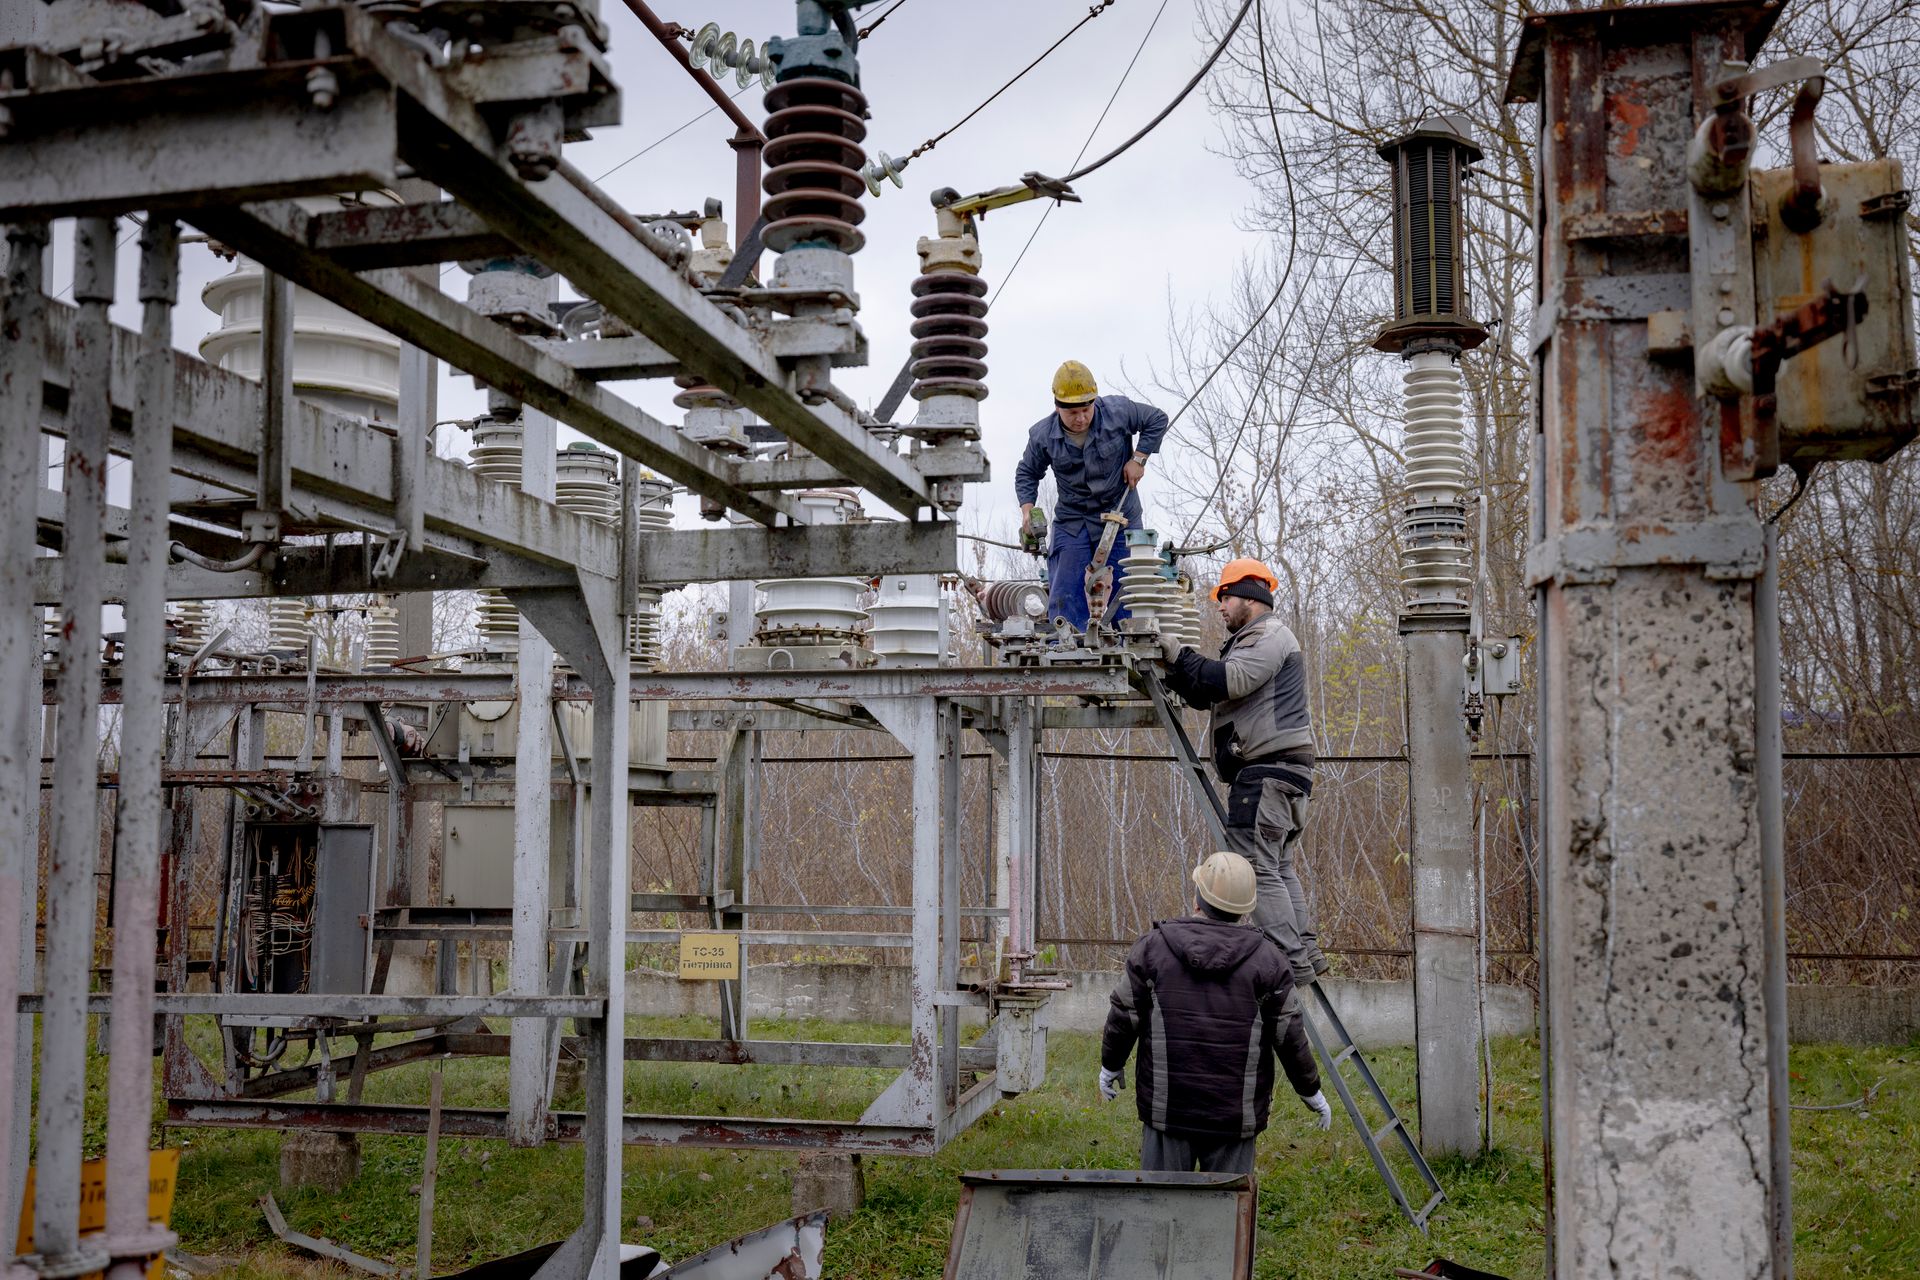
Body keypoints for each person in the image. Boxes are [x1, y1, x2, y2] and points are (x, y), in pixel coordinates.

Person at [1099, 851, 1332, 1174]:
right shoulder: (1269, 961)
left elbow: (1124, 1015)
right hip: (1233, 1119)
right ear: (1247, 909)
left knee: (1160, 1209)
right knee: (1227, 1212)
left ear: (1197, 900)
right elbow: (1289, 1035)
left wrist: (1110, 1064)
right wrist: (1310, 1090)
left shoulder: (1153, 949)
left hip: (1168, 1114)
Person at [1157, 558, 1326, 987]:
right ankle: (1304, 950)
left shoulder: (1269, 635)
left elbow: (1229, 681)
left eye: (1225, 596)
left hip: (1267, 771)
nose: (1220, 606)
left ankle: (1288, 963)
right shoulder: (1252, 638)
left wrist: (1178, 653)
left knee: (1255, 865)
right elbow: (1206, 693)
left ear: (1250, 597)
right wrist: (1175, 669)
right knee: (1277, 866)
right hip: (1281, 772)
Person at [1013, 360, 1168, 630]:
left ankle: (1130, 650)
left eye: (1086, 409)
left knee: (1131, 592)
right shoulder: (1042, 436)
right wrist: (1027, 509)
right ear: (1057, 407)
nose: (1081, 418)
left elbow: (1157, 419)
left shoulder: (1118, 412)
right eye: (1073, 412)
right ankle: (1069, 650)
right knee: (1065, 593)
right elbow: (1027, 472)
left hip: (1122, 514)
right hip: (1074, 521)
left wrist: (1139, 458)